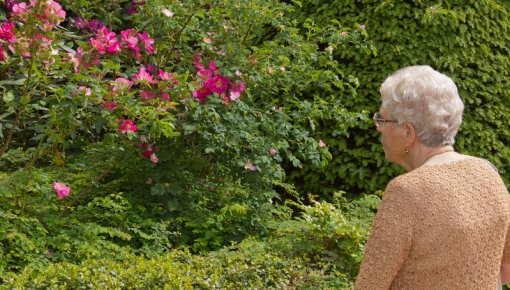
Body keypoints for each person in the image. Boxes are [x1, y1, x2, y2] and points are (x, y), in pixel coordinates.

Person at [354, 65, 510, 289]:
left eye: (383, 120)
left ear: (408, 133)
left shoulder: (406, 192)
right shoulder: (488, 173)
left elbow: (369, 285)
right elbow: (505, 271)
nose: (379, 128)